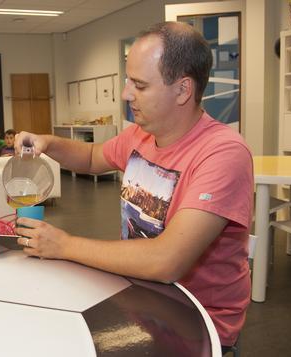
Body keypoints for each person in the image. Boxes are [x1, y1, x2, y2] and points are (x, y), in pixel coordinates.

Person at [13, 22, 253, 351]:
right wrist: (48, 142)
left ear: (183, 90)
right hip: (141, 308)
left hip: (196, 327)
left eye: (139, 85)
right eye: (129, 81)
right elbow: (92, 156)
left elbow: (167, 260)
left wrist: (63, 245)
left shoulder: (223, 154)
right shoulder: (142, 133)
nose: (126, 94)